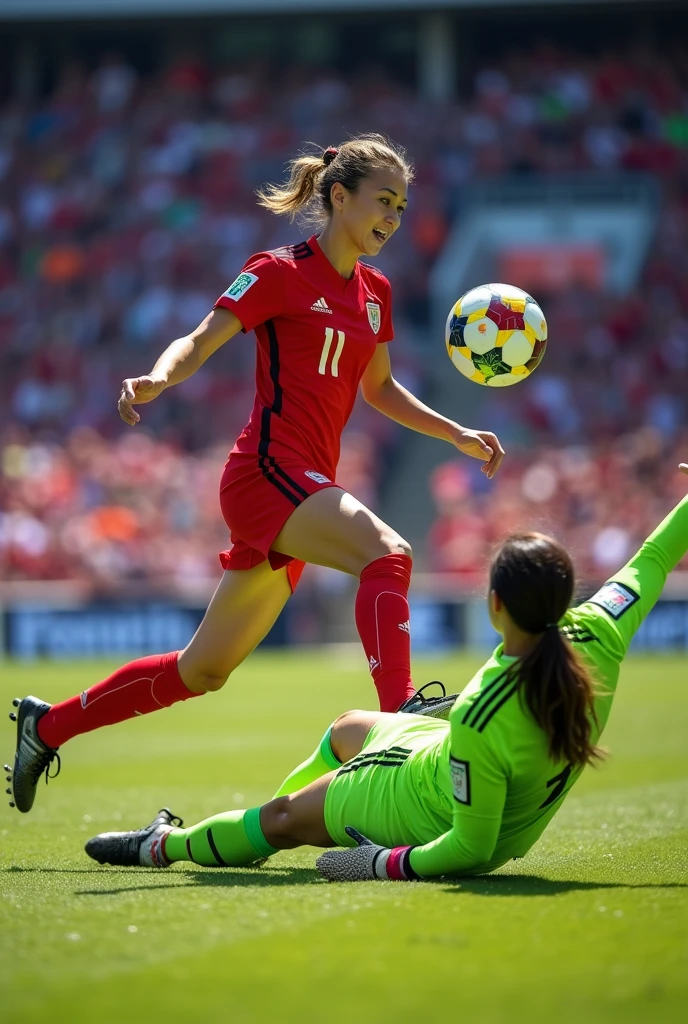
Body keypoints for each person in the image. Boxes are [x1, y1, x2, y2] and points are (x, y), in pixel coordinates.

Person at [7, 134, 504, 814]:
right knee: (389, 556)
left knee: (201, 670)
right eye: (382, 201)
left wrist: (455, 431)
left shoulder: (377, 291)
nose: (394, 216)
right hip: (266, 473)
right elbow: (201, 337)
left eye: (402, 205)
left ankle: (46, 726)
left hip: (301, 486)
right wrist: (159, 376)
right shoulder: (275, 271)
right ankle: (400, 726)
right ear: (338, 195)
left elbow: (379, 389)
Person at [83, 465, 688, 880]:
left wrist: (379, 863)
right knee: (347, 726)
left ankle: (163, 845)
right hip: (456, 766)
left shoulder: (482, 710)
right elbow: (653, 562)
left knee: (283, 821)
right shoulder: (596, 633)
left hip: (416, 804)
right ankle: (266, 820)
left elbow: (470, 850)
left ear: (495, 604)